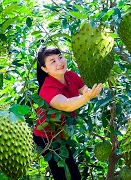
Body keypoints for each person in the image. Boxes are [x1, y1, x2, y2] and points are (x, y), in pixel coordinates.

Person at [33, 46, 103, 180]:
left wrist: (91, 91)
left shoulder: (70, 75)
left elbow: (84, 89)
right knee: (65, 175)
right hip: (46, 136)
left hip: (61, 134)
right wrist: (86, 97)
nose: (59, 63)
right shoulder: (46, 88)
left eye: (60, 57)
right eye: (52, 61)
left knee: (71, 172)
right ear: (44, 69)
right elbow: (65, 105)